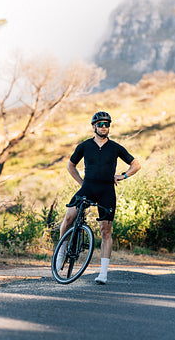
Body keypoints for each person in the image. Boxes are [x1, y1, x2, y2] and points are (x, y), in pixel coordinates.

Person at [57, 111, 141, 284]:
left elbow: (136, 164)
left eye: (107, 124)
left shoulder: (116, 147)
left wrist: (123, 176)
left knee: (106, 231)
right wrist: (81, 182)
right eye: (101, 124)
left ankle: (103, 273)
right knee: (68, 218)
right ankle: (60, 254)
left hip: (106, 191)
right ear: (94, 126)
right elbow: (70, 166)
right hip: (88, 187)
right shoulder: (85, 146)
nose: (104, 127)